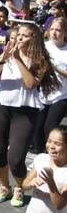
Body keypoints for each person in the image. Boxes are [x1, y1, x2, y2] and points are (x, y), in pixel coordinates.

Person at [0, 23, 60, 209]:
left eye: (25, 36)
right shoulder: (6, 54)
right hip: (0, 105)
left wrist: (17, 59)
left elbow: (30, 84)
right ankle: (4, 186)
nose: (20, 38)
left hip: (25, 111)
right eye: (19, 35)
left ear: (34, 39)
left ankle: (20, 186)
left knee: (16, 158)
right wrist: (2, 60)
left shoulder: (40, 59)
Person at [18, 126, 67, 213]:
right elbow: (24, 185)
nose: (51, 146)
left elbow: (59, 205)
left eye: (57, 144)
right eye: (49, 141)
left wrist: (51, 182)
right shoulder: (41, 159)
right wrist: (31, 183)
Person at [34, 18, 67, 153]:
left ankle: (51, 157)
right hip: (42, 94)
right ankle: (39, 156)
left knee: (50, 127)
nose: (54, 33)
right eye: (52, 29)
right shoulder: (44, 46)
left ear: (65, 32)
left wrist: (53, 67)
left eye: (58, 30)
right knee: (37, 128)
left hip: (61, 96)